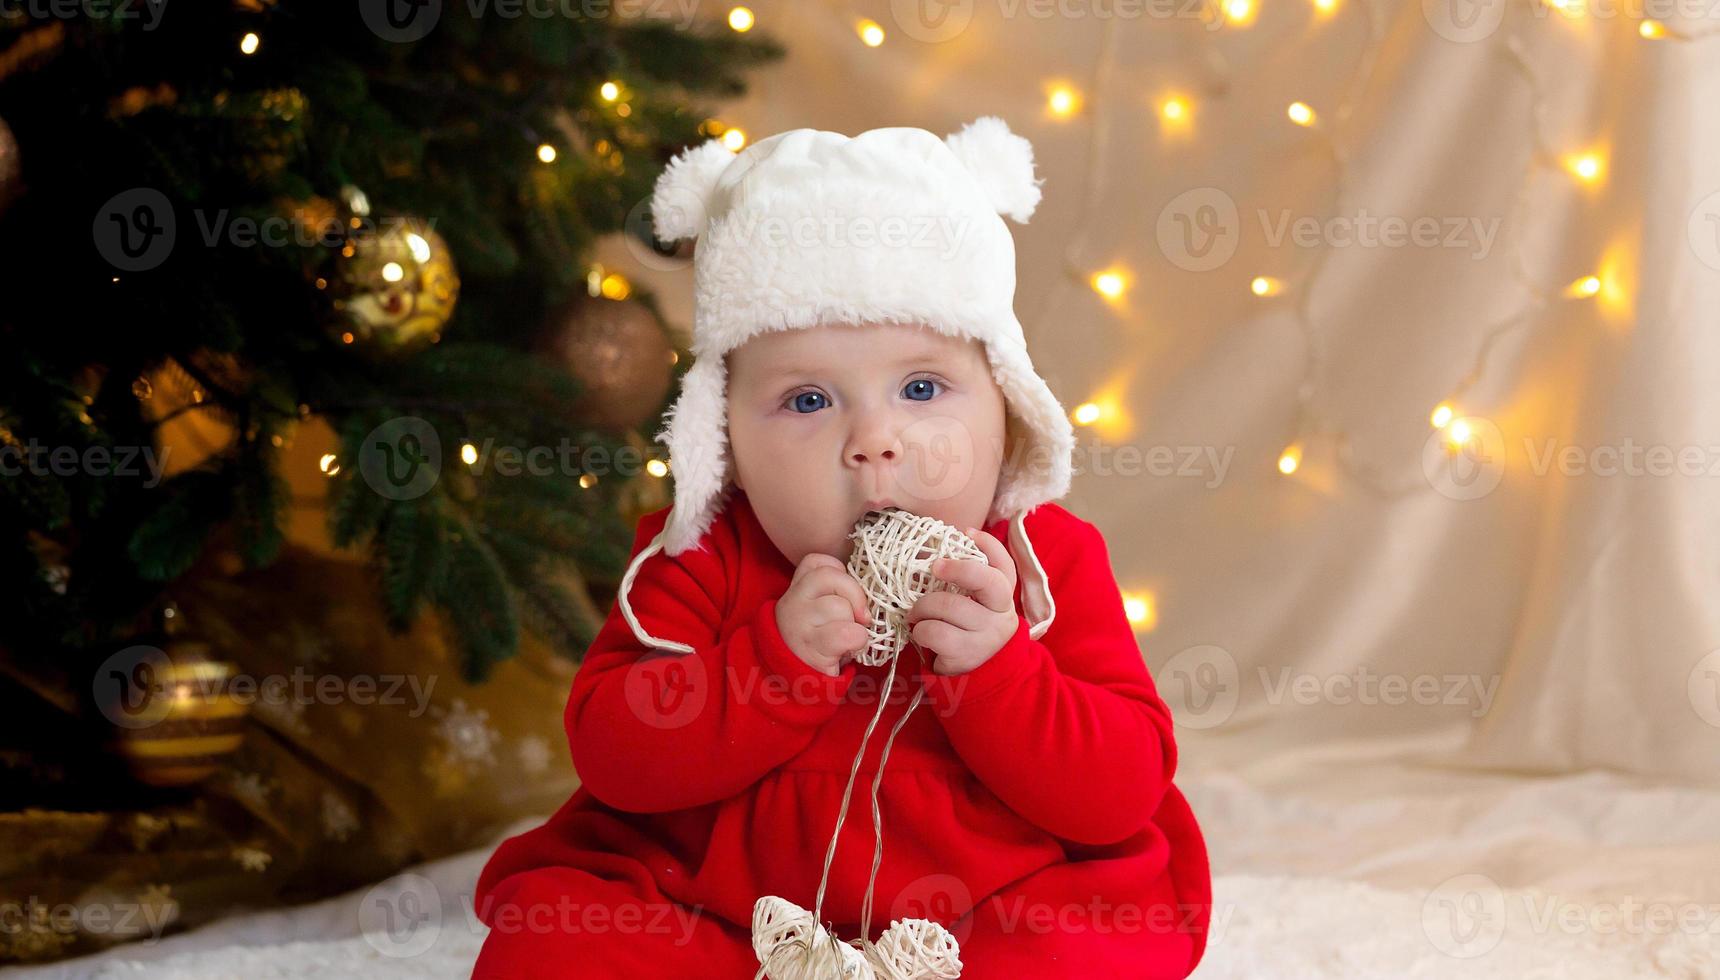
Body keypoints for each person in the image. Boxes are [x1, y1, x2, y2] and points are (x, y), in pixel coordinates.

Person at [470, 117, 1212, 979]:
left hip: (979, 912)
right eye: (809, 401)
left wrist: (1000, 671)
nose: (874, 441)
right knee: (559, 940)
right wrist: (772, 665)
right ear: (726, 441)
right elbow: (614, 756)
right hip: (720, 911)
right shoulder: (701, 554)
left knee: (1086, 940)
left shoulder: (1044, 564)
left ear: (1005, 409)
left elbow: (1120, 790)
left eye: (923, 387)